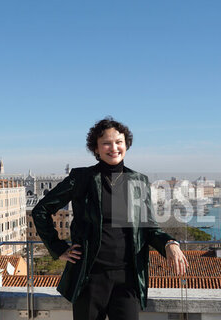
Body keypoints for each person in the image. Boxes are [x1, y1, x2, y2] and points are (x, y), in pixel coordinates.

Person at [32, 117, 188, 320]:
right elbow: (41, 210)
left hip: (127, 279)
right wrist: (58, 248)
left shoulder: (137, 181)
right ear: (96, 149)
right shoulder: (82, 178)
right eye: (106, 143)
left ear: (126, 145)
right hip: (90, 277)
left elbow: (148, 229)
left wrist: (169, 243)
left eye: (119, 142)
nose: (113, 147)